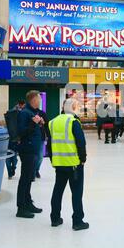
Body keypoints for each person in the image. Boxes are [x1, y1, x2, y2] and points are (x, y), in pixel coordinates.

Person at [48, 98, 89, 231]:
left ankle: (55, 218)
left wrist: (52, 160)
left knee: (58, 191)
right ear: (74, 107)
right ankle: (77, 221)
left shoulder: (52, 122)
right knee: (76, 192)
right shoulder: (73, 122)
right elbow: (81, 143)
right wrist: (83, 159)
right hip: (74, 164)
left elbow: (49, 144)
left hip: (59, 164)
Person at [16, 90, 45, 218]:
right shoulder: (24, 113)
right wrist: (34, 123)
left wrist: (39, 123)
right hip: (27, 150)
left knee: (29, 178)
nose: (40, 101)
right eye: (39, 99)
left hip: (32, 150)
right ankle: (21, 207)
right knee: (25, 178)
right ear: (33, 99)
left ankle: (28, 202)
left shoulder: (33, 113)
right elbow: (21, 132)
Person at [4, 100, 25, 180]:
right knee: (13, 157)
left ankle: (11, 171)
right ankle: (11, 171)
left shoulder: (10, 113)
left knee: (10, 157)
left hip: (10, 139)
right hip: (14, 139)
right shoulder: (17, 114)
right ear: (20, 105)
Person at [33, 109, 49, 180]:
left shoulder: (42, 113)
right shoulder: (27, 113)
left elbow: (47, 125)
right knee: (32, 157)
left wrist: (48, 136)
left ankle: (36, 170)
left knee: (40, 157)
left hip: (41, 138)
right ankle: (32, 172)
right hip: (30, 138)